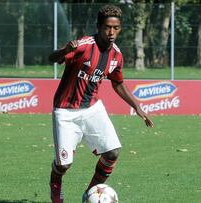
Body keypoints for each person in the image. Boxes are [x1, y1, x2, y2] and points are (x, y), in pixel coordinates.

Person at [48, 4, 154, 203]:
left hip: (92, 109)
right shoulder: (84, 45)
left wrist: (137, 106)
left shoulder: (116, 55)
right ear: (99, 26)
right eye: (107, 27)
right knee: (64, 165)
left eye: (116, 28)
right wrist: (64, 50)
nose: (112, 32)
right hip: (65, 112)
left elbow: (118, 83)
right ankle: (55, 182)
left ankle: (90, 194)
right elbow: (51, 58)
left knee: (113, 152)